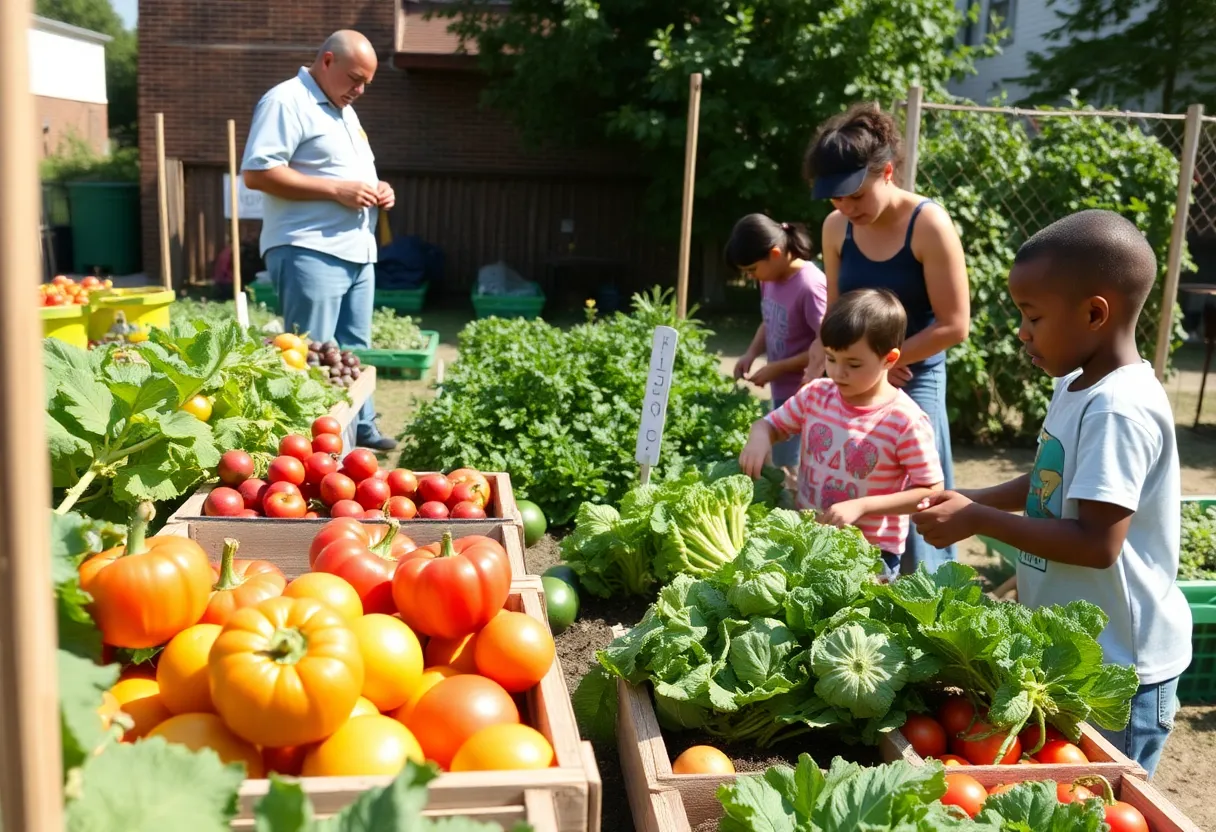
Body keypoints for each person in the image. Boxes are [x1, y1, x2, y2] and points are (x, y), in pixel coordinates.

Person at [912, 210, 1191, 777]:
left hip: (1123, 670)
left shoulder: (1119, 407)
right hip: (1078, 656)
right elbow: (1049, 481)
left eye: (1032, 316)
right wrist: (975, 500)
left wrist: (978, 521)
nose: (1022, 332)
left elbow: (1096, 543)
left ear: (1094, 312)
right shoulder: (1076, 384)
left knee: (1109, 798)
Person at [802, 103, 969, 575]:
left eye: (854, 195)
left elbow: (955, 325)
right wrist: (824, 358)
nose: (846, 208)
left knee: (922, 500)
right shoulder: (837, 228)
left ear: (887, 172)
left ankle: (936, 596)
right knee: (850, 486)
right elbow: (836, 311)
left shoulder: (929, 224)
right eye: (835, 199)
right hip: (856, 366)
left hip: (914, 370)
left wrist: (884, 362)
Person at [241, 30, 397, 450]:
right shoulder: (286, 101)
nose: (360, 90)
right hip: (310, 248)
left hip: (356, 249)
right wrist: (337, 191)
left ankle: (362, 428)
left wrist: (377, 188)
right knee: (314, 355)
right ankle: (325, 450)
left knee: (353, 350)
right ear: (327, 61)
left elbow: (344, 173)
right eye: (354, 78)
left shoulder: (343, 110)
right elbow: (257, 173)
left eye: (366, 82)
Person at [740, 288, 944, 581]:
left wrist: (861, 506)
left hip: (871, 555)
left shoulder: (905, 420)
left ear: (889, 359)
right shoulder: (816, 395)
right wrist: (759, 435)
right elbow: (770, 425)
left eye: (853, 364)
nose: (837, 373)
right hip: (808, 538)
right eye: (831, 359)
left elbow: (931, 491)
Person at [726, 214, 829, 470]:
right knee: (783, 461)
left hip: (805, 395)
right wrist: (750, 354)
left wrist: (777, 368)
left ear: (774, 253)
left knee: (790, 468)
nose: (751, 277)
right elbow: (768, 320)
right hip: (782, 391)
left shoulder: (810, 285)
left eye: (752, 269)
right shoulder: (768, 279)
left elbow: (828, 345)